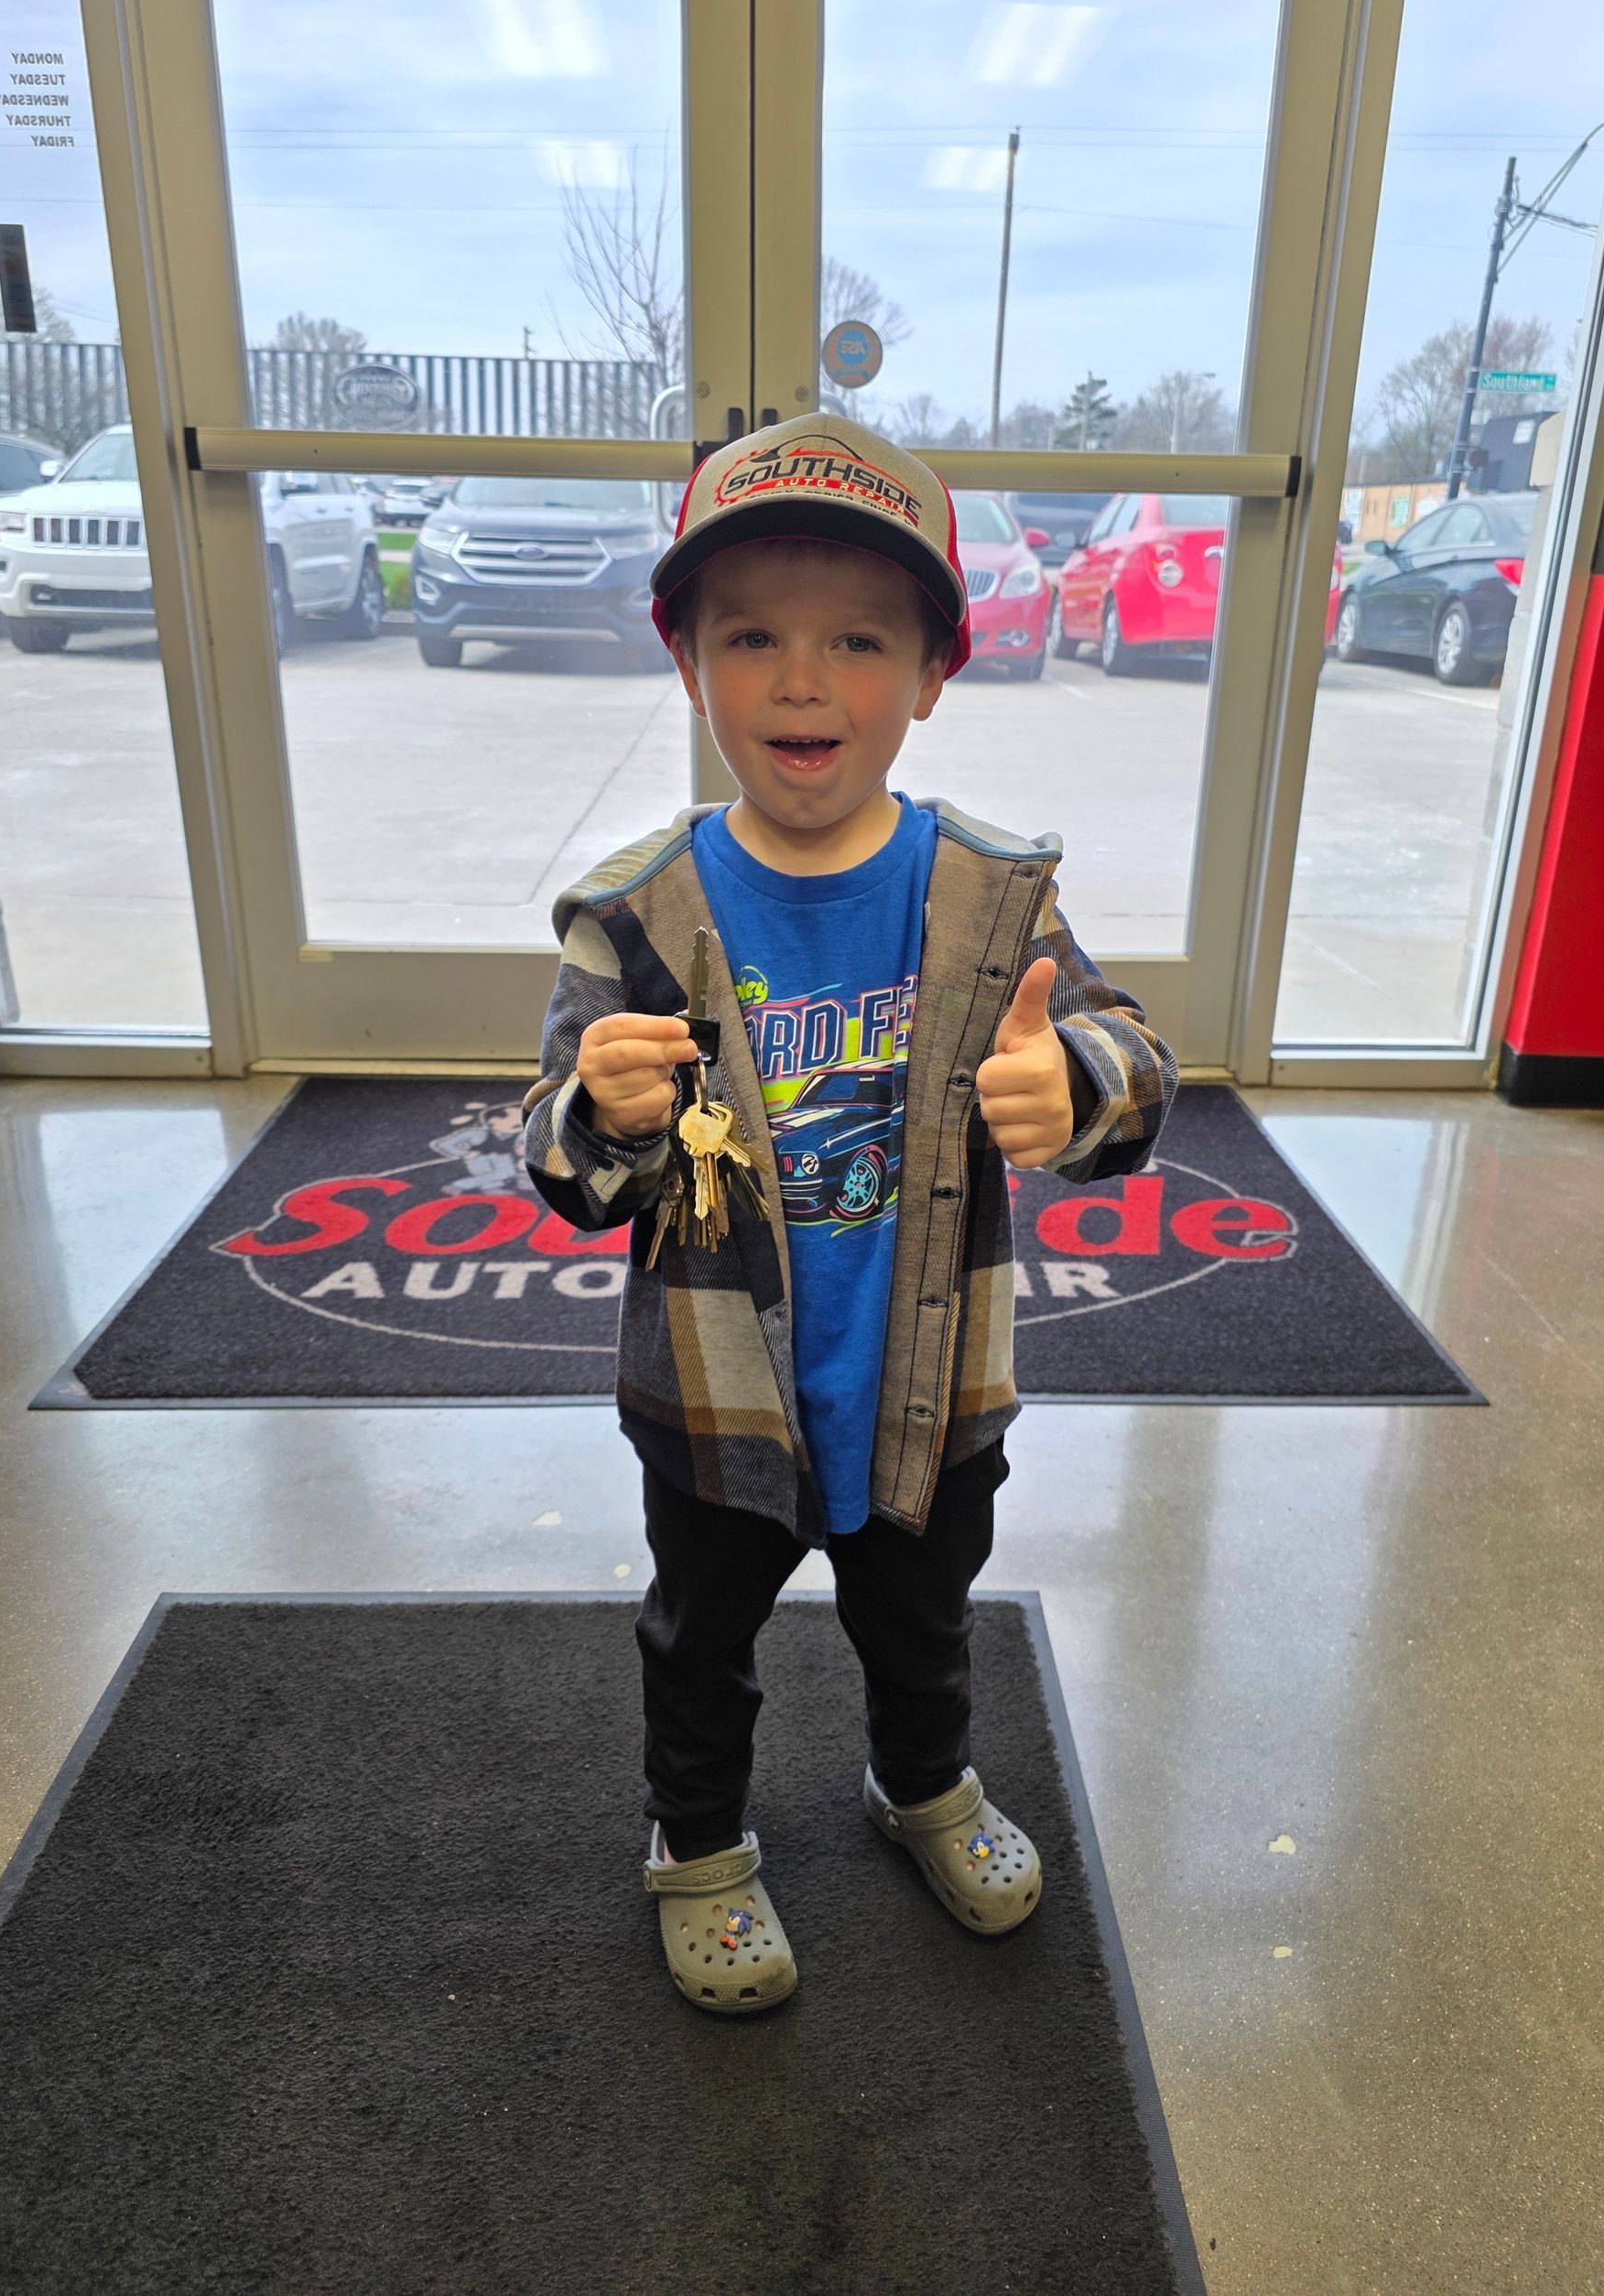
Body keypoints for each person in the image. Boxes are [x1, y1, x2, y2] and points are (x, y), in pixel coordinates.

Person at [521, 413, 1177, 2014]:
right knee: (702, 1642)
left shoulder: (986, 894)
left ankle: (922, 1783)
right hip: (716, 1395)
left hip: (928, 1381)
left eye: (858, 641)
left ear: (933, 673)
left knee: (924, 1616)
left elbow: (1131, 1058)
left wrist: (1073, 1086)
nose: (802, 681)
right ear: (689, 663)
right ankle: (697, 1844)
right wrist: (597, 1117)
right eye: (751, 637)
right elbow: (557, 1167)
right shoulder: (636, 915)